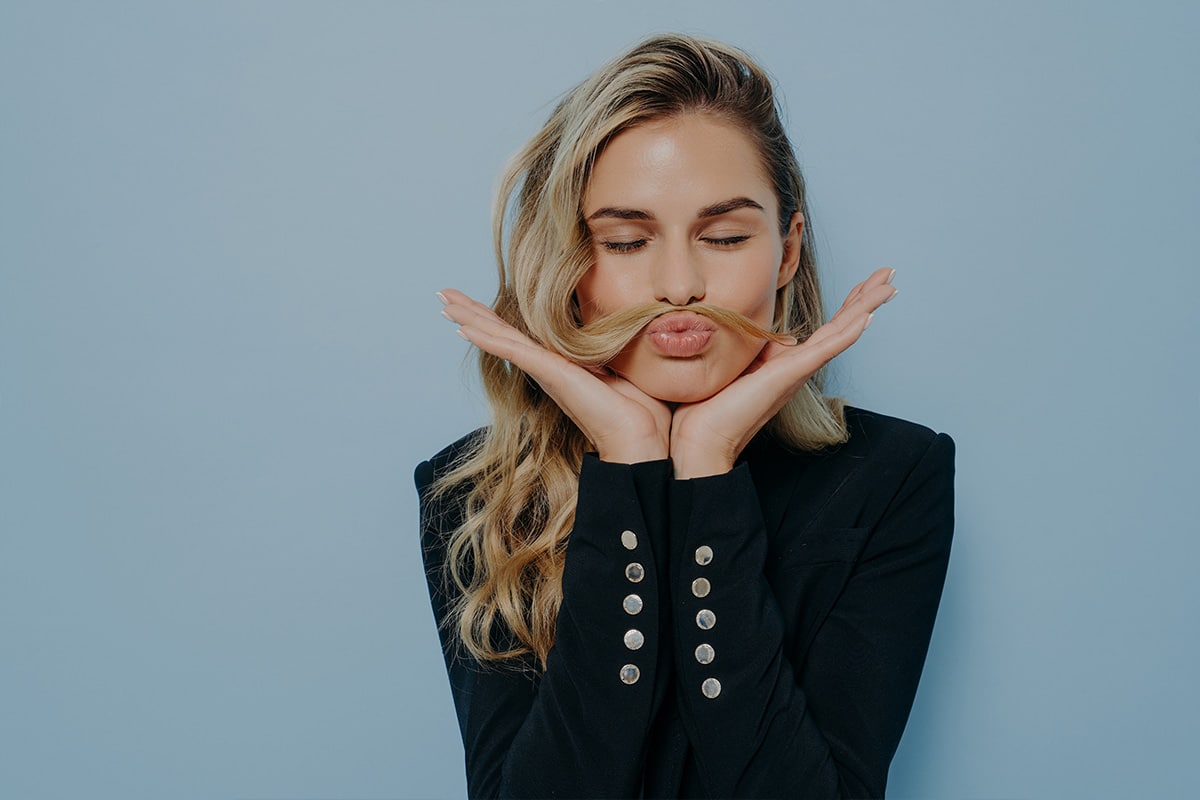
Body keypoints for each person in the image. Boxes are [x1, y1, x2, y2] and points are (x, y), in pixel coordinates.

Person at [415, 33, 954, 799]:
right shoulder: (472, 495)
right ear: (572, 263)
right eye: (628, 241)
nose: (679, 284)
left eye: (726, 236)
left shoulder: (896, 476)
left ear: (788, 252)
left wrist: (706, 466)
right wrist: (629, 459)